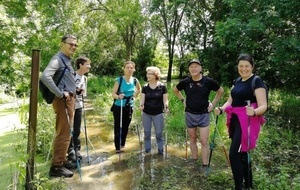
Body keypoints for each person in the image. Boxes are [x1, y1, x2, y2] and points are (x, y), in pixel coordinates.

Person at [214, 54, 267, 190]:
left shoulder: (256, 81)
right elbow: (230, 101)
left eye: (247, 66)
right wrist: (221, 109)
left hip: (247, 121)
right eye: (241, 66)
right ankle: (248, 184)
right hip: (236, 120)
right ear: (238, 67)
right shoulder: (237, 81)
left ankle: (239, 186)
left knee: (234, 154)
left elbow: (263, 105)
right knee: (243, 152)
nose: (244, 69)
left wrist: (254, 112)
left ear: (252, 67)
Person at [173, 59, 224, 167]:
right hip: (190, 114)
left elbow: (221, 91)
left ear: (200, 69)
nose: (193, 68)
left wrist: (213, 104)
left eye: (196, 66)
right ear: (189, 69)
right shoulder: (186, 82)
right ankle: (194, 160)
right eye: (191, 67)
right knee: (192, 138)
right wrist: (183, 100)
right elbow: (175, 90)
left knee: (204, 140)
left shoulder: (207, 81)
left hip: (204, 114)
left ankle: (205, 165)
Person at [41, 34, 78, 177]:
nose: (73, 47)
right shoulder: (58, 59)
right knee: (63, 133)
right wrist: (60, 93)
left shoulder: (66, 60)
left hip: (69, 100)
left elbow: (64, 80)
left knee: (66, 132)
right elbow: (45, 76)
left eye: (75, 45)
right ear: (62, 44)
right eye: (71, 44)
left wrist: (75, 90)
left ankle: (62, 161)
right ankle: (56, 167)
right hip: (63, 101)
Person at [111, 61, 141, 153]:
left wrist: (134, 96)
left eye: (131, 68)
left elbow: (139, 89)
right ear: (124, 69)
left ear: (134, 69)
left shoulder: (135, 80)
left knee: (126, 126)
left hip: (129, 106)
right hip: (118, 106)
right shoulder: (119, 80)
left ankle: (122, 144)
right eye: (127, 67)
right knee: (118, 126)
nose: (129, 69)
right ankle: (117, 147)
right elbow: (113, 93)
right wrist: (118, 96)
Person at [67, 56, 91, 163]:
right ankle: (70, 150)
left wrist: (80, 92)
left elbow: (84, 94)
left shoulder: (85, 78)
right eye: (87, 64)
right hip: (70, 106)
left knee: (77, 129)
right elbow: (66, 90)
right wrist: (74, 91)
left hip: (79, 105)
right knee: (69, 129)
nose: (89, 67)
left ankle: (76, 149)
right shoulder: (71, 75)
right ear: (80, 65)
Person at [140, 66, 169, 155]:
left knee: (159, 133)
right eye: (147, 73)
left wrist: (166, 107)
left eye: (149, 74)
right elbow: (142, 99)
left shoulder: (162, 87)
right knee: (147, 133)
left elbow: (165, 99)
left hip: (158, 113)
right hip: (146, 113)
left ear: (155, 75)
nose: (147, 75)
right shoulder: (145, 87)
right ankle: (147, 150)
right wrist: (141, 105)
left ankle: (160, 150)